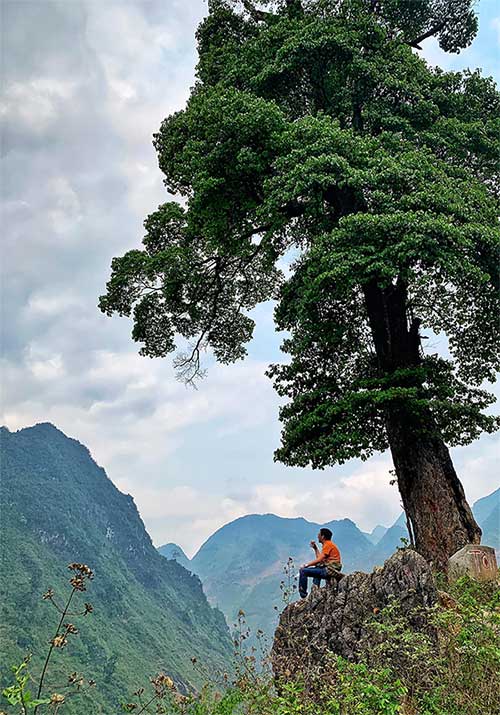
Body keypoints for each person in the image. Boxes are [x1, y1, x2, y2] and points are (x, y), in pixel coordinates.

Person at [298, 527, 342, 599]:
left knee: (303, 571)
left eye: (319, 534)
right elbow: (321, 559)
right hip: (329, 569)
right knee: (317, 569)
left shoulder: (328, 545)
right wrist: (315, 548)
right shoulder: (328, 545)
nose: (317, 536)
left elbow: (319, 559)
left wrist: (306, 565)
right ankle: (315, 592)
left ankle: (303, 596)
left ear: (323, 536)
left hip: (329, 570)